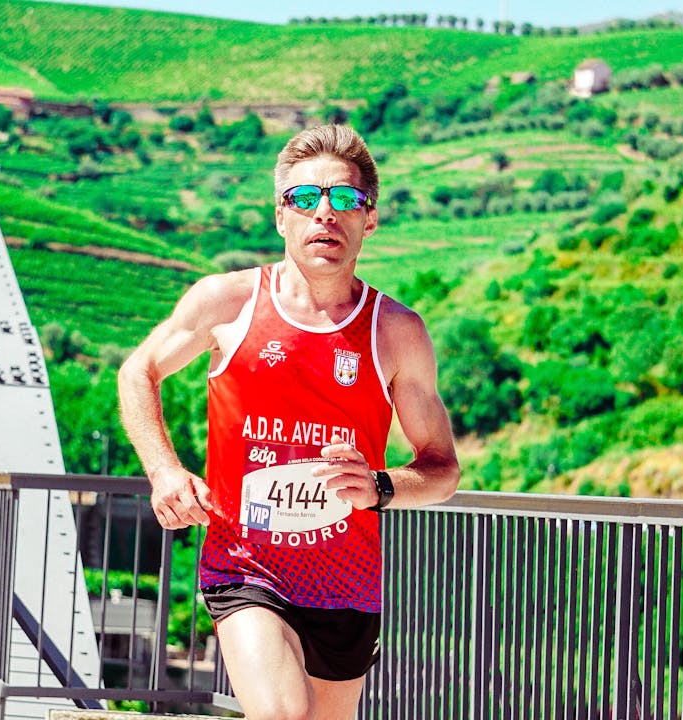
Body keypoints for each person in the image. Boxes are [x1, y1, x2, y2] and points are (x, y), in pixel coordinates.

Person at [118, 124, 459, 720]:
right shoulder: (226, 302)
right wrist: (165, 471)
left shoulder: (397, 331)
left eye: (345, 199)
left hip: (346, 581)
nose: (324, 213)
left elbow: (441, 468)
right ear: (281, 217)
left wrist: (379, 486)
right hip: (244, 564)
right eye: (305, 199)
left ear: (369, 219)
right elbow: (137, 371)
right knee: (283, 715)